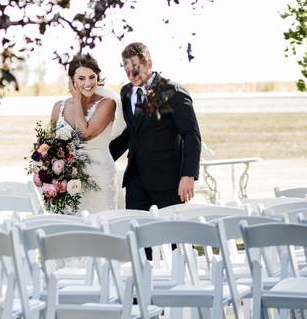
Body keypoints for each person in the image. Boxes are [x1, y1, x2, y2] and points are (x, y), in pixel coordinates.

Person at [109, 42, 202, 213]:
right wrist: (102, 158)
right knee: (136, 232)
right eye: (127, 70)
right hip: (136, 179)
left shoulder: (171, 91)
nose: (131, 75)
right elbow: (132, 132)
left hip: (168, 179)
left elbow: (191, 134)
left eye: (136, 68)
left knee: (175, 235)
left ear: (149, 64)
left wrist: (188, 175)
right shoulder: (126, 92)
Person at [50, 53, 119, 212]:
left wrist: (76, 99)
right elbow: (50, 146)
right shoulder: (58, 107)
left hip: (98, 177)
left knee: (100, 226)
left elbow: (83, 133)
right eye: (81, 78)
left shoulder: (107, 104)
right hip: (66, 180)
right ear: (71, 80)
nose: (88, 83)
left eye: (92, 77)